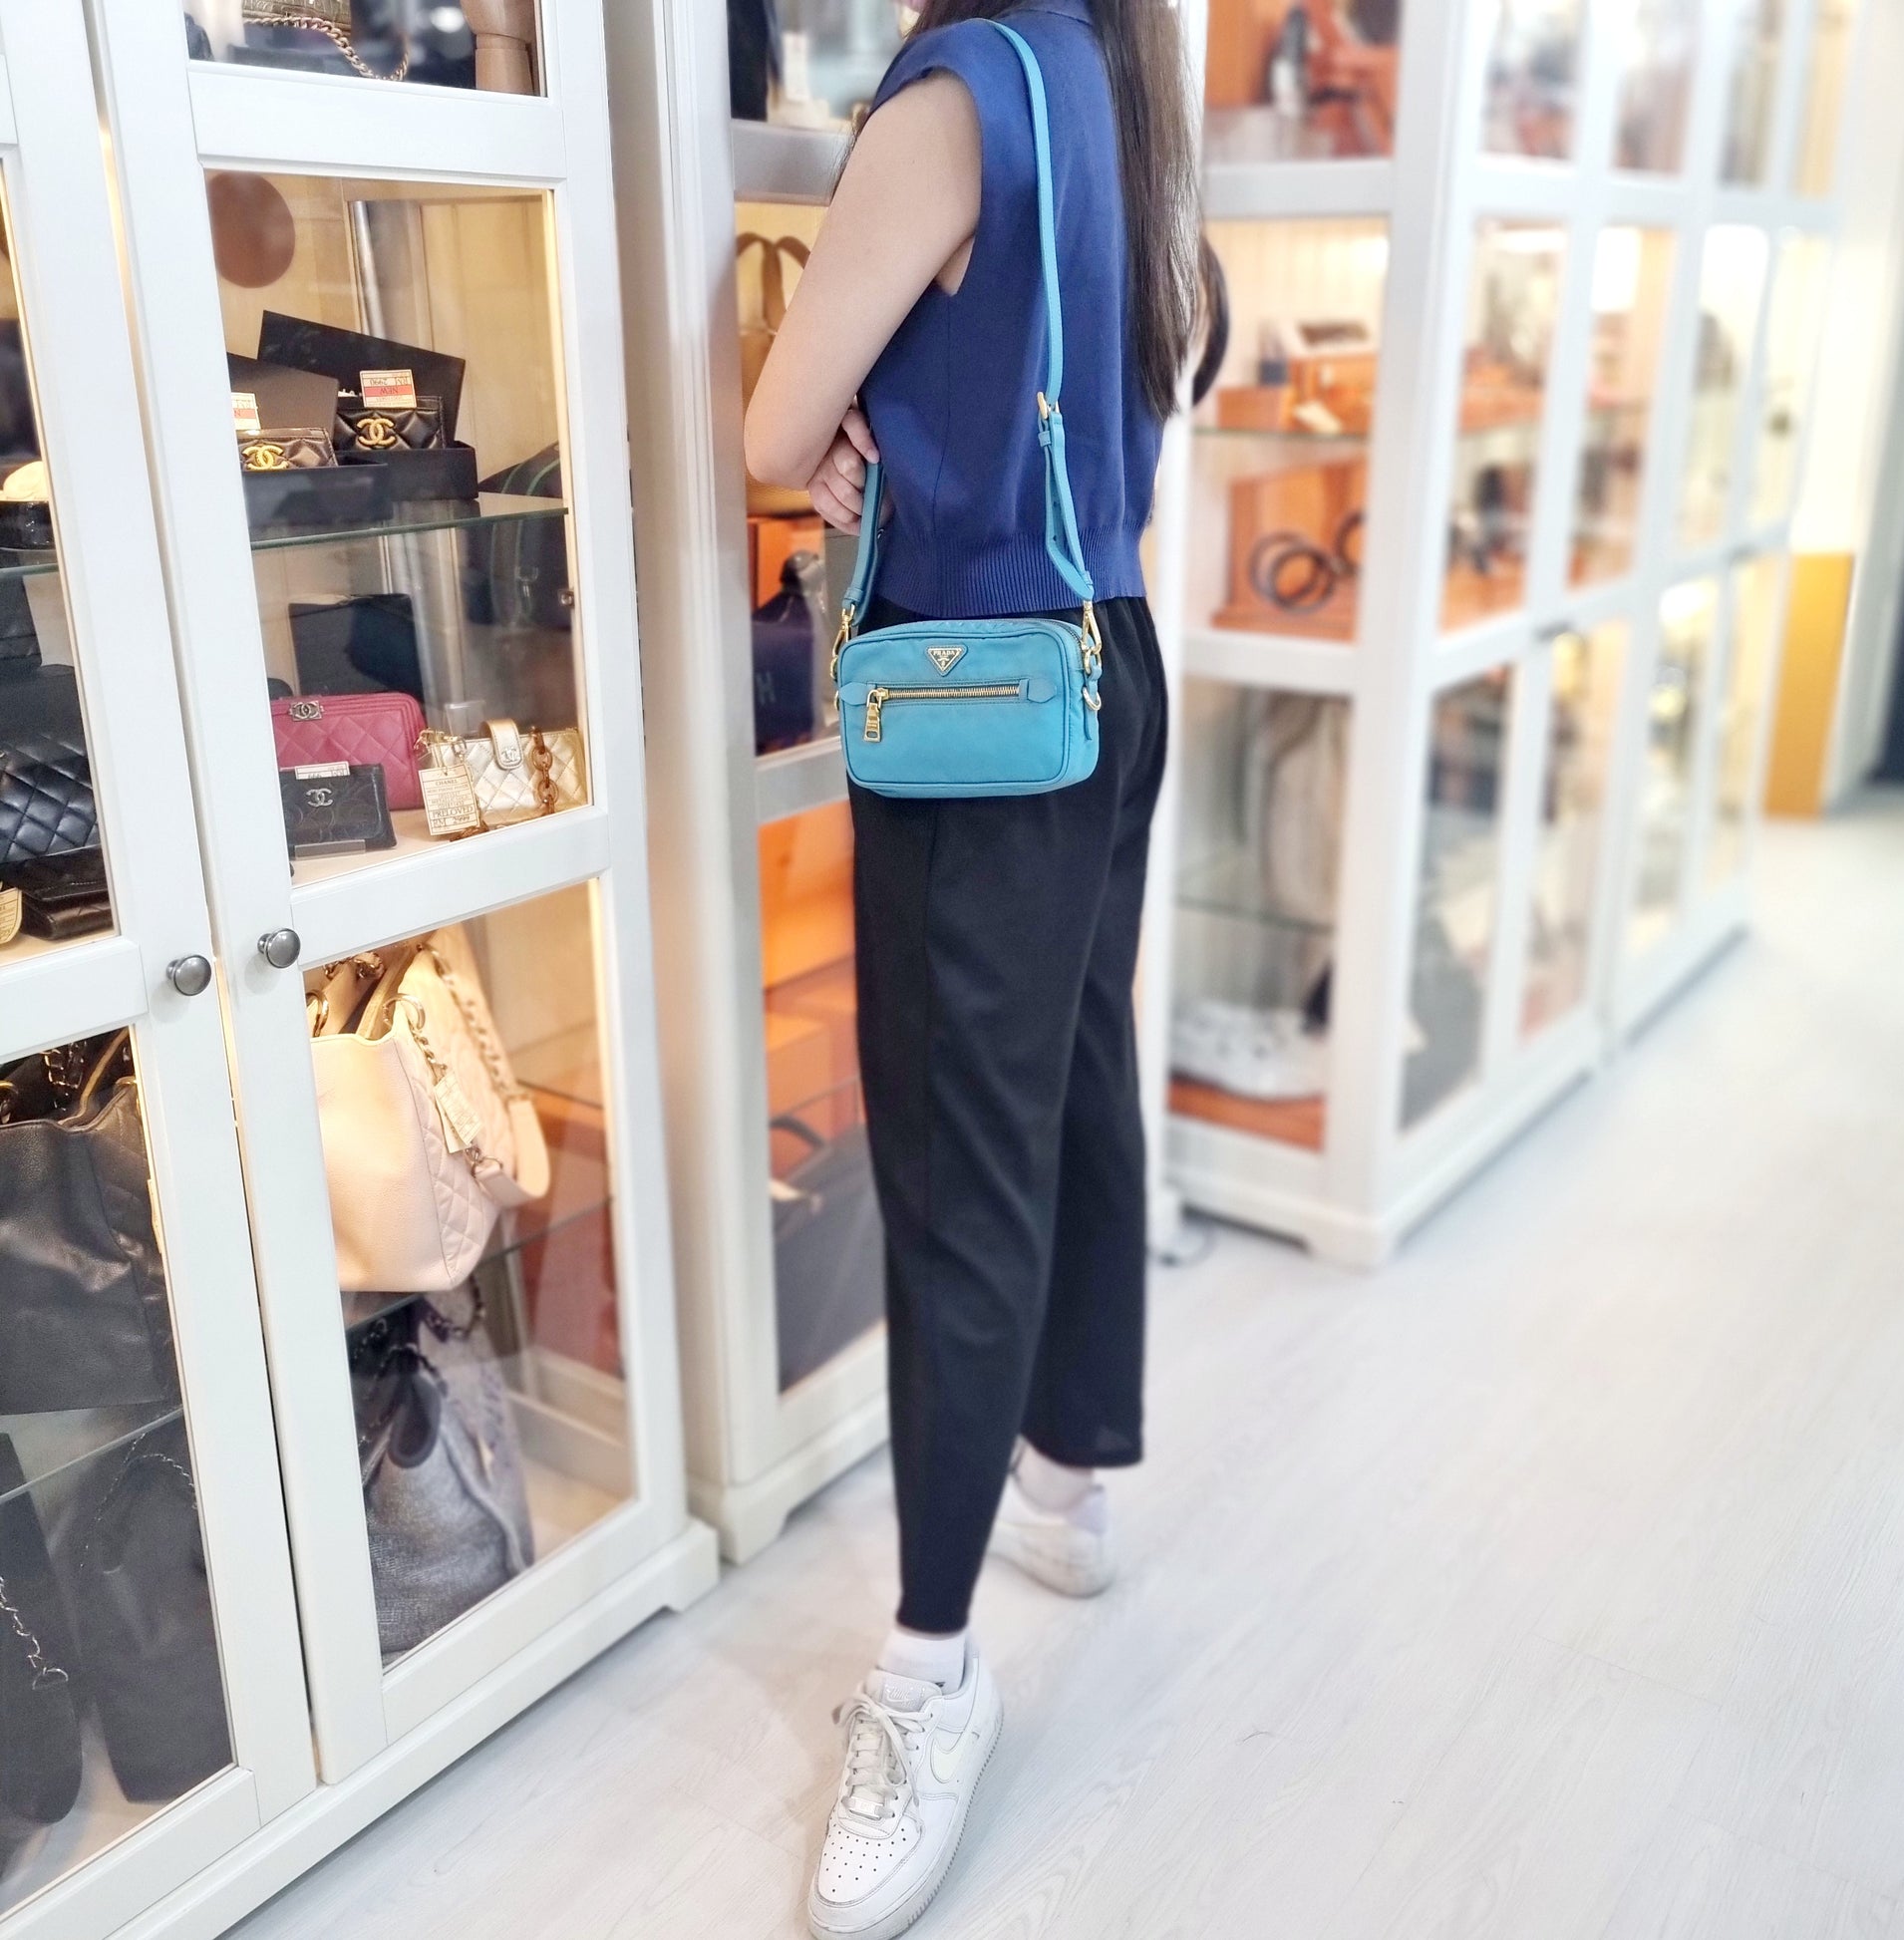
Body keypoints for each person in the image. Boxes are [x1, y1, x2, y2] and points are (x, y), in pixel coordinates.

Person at [745, 2, 1195, 1932]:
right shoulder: (1111, 71)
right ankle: (1066, 1476)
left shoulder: (954, 96)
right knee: (1076, 1073)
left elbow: (772, 432)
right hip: (1106, 660)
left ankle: (929, 1673)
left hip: (977, 698)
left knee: (954, 1182)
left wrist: (845, 439)